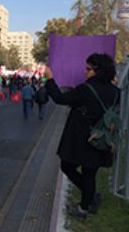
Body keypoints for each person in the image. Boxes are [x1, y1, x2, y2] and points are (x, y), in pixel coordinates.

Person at [43, 54, 121, 219]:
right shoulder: (116, 91)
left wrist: (50, 79)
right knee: (90, 173)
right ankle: (89, 199)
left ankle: (85, 206)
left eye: (88, 69)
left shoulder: (86, 89)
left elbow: (60, 98)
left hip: (82, 138)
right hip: (103, 138)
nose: (85, 72)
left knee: (68, 166)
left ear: (97, 71)